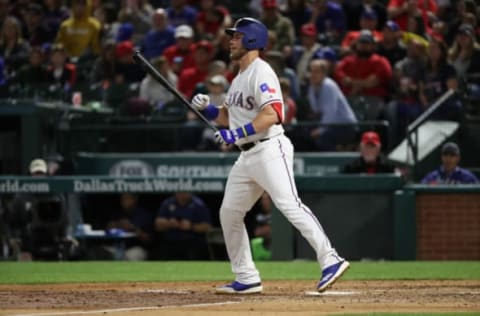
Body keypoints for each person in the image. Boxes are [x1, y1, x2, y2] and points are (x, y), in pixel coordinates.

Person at [190, 17, 349, 294]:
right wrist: (210, 110)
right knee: (229, 212)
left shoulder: (261, 72)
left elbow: (272, 114)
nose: (231, 40)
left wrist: (235, 135)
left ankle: (330, 259)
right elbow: (229, 116)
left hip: (268, 148)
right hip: (247, 155)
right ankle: (247, 277)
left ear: (252, 40)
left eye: (237, 36)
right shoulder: (239, 77)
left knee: (289, 205)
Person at [154, 191, 212, 260]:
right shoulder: (167, 203)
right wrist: (169, 223)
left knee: (195, 251)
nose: (182, 194)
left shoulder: (199, 204)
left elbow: (208, 227)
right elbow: (157, 225)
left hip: (192, 242)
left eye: (185, 192)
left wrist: (191, 226)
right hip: (171, 242)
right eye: (180, 192)